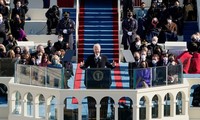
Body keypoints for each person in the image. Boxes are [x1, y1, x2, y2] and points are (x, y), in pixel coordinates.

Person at [80, 43, 116, 119]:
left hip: (103, 84)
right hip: (92, 83)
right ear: (93, 50)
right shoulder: (90, 57)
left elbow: (110, 67)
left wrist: (113, 65)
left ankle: (103, 116)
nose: (96, 50)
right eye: (95, 49)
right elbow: (85, 66)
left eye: (97, 49)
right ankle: (92, 116)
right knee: (92, 101)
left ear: (100, 49)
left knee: (103, 101)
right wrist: (82, 66)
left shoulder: (104, 57)